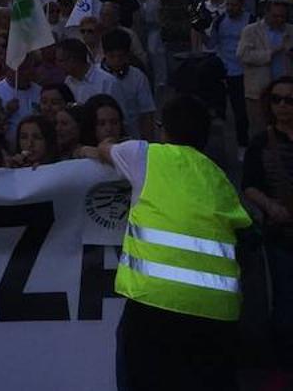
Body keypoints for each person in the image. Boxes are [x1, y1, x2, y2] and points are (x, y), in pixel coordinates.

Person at [81, 95, 251, 391]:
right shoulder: (219, 177)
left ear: (163, 130)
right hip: (216, 313)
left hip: (154, 304)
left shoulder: (145, 155)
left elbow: (105, 150)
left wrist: (81, 149)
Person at [242, 77, 293, 362]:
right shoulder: (261, 142)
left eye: (289, 100)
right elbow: (249, 183)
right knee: (285, 298)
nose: (283, 106)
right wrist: (270, 206)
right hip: (280, 233)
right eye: (277, 99)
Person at [238, 0, 293, 134]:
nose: (279, 20)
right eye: (275, 16)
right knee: (260, 131)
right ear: (266, 13)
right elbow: (243, 55)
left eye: (282, 16)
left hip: (287, 92)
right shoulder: (251, 31)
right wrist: (270, 53)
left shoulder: (291, 30)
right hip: (259, 92)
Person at [208, 0, 251, 149]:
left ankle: (243, 144)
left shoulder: (250, 21)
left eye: (234, 5)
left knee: (240, 109)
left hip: (242, 70)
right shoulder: (220, 21)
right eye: (228, 5)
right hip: (224, 68)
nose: (230, 8)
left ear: (241, 5)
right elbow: (211, 44)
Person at [100, 29, 156, 140]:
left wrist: (148, 143)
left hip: (132, 137)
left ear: (128, 55)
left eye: (120, 56)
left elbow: (146, 113)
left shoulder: (138, 76)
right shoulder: (96, 75)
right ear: (105, 54)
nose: (116, 61)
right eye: (112, 56)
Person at [0, 55, 42, 142]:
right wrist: (6, 112)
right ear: (8, 69)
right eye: (22, 69)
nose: (27, 72)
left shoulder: (40, 91)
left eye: (29, 67)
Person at [56, 38, 116, 104]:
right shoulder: (68, 81)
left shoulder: (107, 81)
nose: (57, 64)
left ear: (73, 59)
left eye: (60, 61)